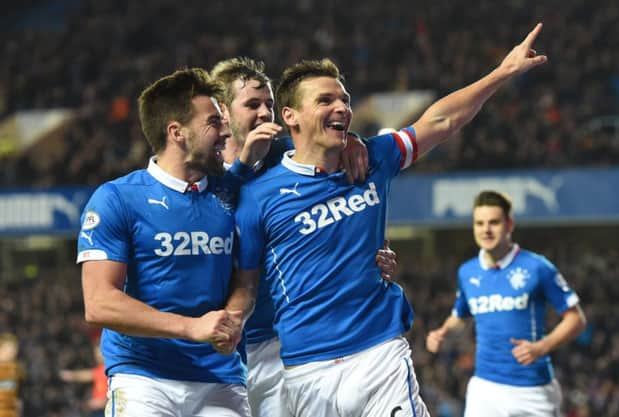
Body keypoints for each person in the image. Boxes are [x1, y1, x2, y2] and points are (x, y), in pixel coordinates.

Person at [233, 22, 549, 417]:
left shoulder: (374, 157)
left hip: (378, 354)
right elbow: (243, 287)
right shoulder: (257, 195)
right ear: (291, 116)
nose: (341, 108)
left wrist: (502, 72)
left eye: (345, 99)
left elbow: (441, 122)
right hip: (303, 368)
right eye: (325, 100)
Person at [211, 56, 398, 417]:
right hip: (218, 346)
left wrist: (352, 141)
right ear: (222, 111)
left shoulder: (283, 155)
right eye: (252, 105)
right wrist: (241, 168)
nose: (265, 114)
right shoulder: (201, 170)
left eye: (269, 104)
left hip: (282, 343)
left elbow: (325, 147)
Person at [77, 68, 270, 417]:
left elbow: (247, 277)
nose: (226, 130)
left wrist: (234, 319)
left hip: (220, 377)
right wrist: (191, 327)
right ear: (176, 132)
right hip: (143, 378)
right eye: (214, 121)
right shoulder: (117, 199)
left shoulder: (234, 192)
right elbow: (99, 303)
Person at [426, 190, 587, 417]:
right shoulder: (467, 271)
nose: (486, 230)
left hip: (533, 389)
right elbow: (460, 316)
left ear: (509, 224)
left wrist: (541, 347)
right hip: (485, 388)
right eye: (479, 223)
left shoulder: (537, 267)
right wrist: (443, 332)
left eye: (494, 222)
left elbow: (576, 319)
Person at [59, 336, 108, 417]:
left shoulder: (109, 370)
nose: (97, 356)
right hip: (97, 409)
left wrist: (102, 402)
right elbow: (86, 375)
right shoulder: (99, 370)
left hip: (104, 408)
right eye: (95, 353)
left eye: (100, 353)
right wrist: (70, 375)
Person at [0, 333, 23, 417]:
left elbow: (18, 398)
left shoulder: (17, 370)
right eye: (9, 349)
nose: (12, 352)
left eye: (14, 349)